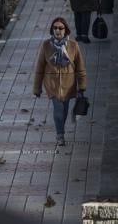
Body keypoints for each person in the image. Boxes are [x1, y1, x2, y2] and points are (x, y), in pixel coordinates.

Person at [33, 17, 87, 146]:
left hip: (69, 84)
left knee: (64, 111)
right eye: (55, 28)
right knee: (58, 110)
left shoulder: (73, 45)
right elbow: (40, 67)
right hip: (52, 85)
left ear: (65, 30)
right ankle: (60, 135)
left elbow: (80, 67)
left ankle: (60, 130)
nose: (57, 30)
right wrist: (37, 88)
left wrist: (82, 86)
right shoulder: (46, 45)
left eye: (60, 28)